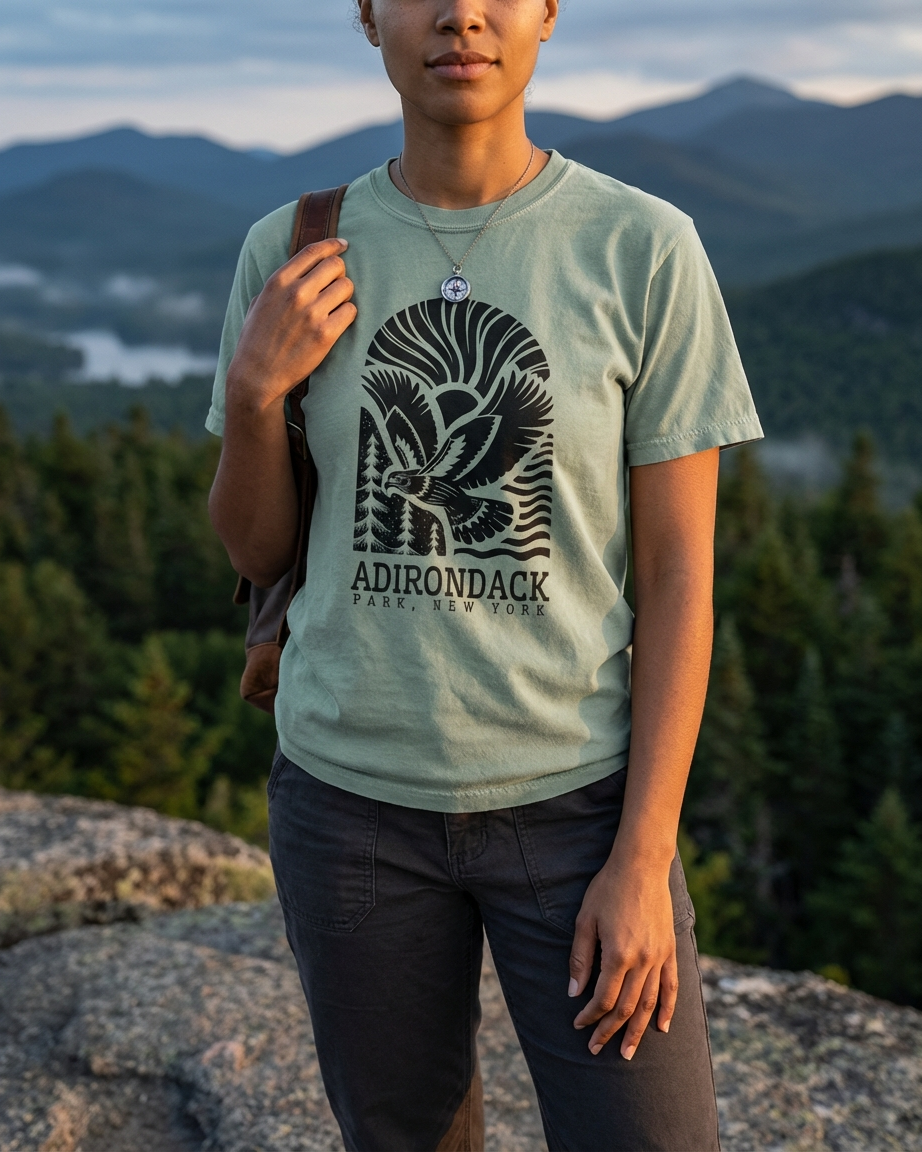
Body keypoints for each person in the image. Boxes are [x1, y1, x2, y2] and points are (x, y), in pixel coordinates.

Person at [207, 1, 762, 1148]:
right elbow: (257, 552)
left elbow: (677, 581)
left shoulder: (643, 247)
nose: (461, 13)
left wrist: (643, 855)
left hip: (576, 810)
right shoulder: (293, 246)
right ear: (368, 14)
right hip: (348, 803)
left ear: (549, 10)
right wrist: (258, 397)